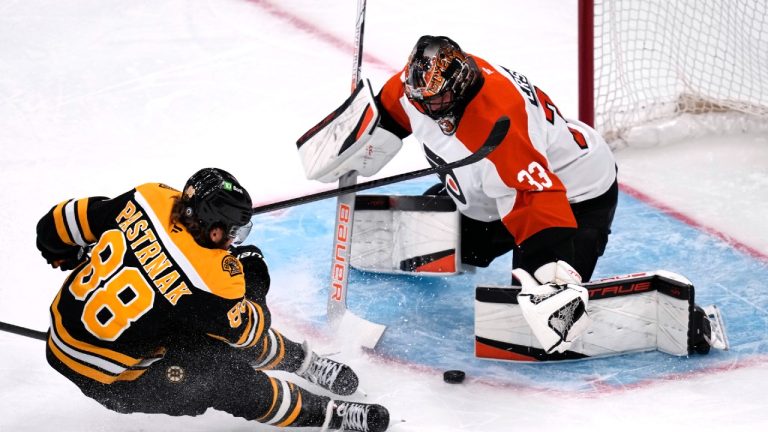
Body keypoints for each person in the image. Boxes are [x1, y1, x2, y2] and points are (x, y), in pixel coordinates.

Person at [36, 167, 389, 432]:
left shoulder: (149, 197)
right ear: (213, 227)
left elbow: (59, 224)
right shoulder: (211, 278)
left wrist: (58, 251)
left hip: (64, 335)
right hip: (115, 381)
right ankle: (326, 414)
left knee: (197, 322)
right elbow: (249, 329)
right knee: (223, 374)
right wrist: (255, 275)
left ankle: (302, 362)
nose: (234, 240)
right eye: (233, 232)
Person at [373, 35, 618, 286]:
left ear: (460, 84)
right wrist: (350, 137)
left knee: (540, 291)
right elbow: (385, 112)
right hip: (506, 186)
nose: (428, 108)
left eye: (436, 100)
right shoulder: (424, 86)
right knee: (439, 242)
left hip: (575, 195)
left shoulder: (501, 122)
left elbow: (534, 195)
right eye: (421, 101)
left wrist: (549, 268)